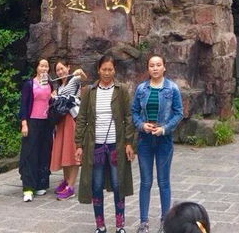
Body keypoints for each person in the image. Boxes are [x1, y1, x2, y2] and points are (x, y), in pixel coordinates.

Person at [75, 54, 135, 233]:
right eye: (104, 69)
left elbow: (128, 117)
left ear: (114, 70)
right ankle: (100, 225)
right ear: (98, 70)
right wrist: (79, 145)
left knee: (118, 184)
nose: (107, 73)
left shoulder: (121, 90)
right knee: (96, 184)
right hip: (95, 145)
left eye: (110, 69)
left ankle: (120, 225)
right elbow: (82, 119)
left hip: (115, 144)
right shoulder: (90, 91)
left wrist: (129, 142)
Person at [132, 54, 184, 233]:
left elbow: (178, 113)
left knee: (164, 181)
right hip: (145, 139)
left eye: (158, 65)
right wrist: (141, 125)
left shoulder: (172, 88)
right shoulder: (141, 89)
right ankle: (144, 222)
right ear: (148, 69)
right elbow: (134, 112)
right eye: (152, 65)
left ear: (164, 68)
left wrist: (165, 129)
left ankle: (165, 221)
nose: (155, 68)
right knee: (145, 182)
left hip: (164, 139)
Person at [50, 59, 87, 200]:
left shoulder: (74, 80)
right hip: (60, 122)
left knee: (72, 151)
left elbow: (83, 77)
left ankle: (71, 186)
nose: (60, 72)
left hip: (71, 120)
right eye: (58, 70)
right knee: (63, 151)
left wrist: (79, 72)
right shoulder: (58, 88)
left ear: (68, 67)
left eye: (62, 68)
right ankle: (66, 181)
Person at [19, 58, 54, 202]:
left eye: (46, 66)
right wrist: (24, 123)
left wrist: (54, 97)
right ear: (37, 68)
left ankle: (41, 183)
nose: (44, 68)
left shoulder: (50, 84)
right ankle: (28, 187)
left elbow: (51, 103)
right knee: (30, 153)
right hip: (32, 121)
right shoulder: (29, 84)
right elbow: (24, 104)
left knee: (44, 152)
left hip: (46, 123)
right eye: (42, 66)